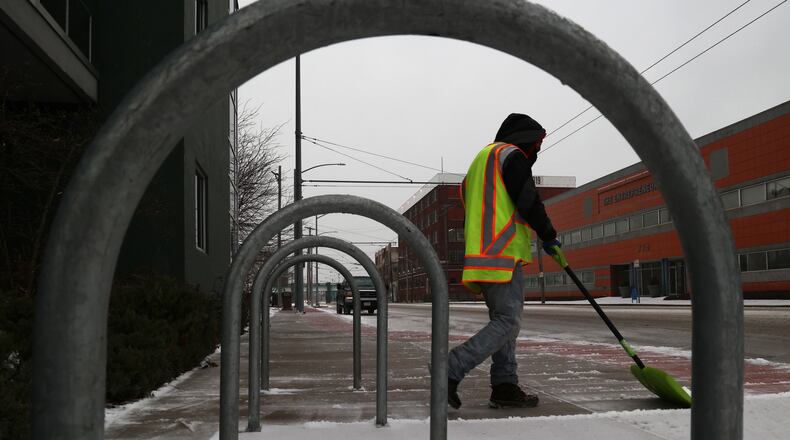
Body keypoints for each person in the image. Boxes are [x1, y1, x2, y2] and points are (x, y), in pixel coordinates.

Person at [447, 113, 563, 409]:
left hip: (483, 256)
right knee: (507, 322)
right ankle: (452, 367)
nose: (537, 151)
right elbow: (527, 199)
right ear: (527, 139)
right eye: (536, 144)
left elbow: (494, 203)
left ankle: (504, 385)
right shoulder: (510, 155)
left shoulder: (481, 161)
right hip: (501, 253)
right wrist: (548, 234)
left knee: (504, 322)